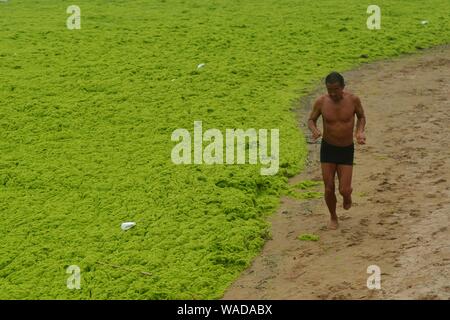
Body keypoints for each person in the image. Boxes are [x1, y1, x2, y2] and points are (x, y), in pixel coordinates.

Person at [307, 71, 366, 230]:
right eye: (329, 90)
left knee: (344, 189)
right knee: (328, 187)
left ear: (343, 87)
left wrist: (359, 132)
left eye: (336, 89)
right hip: (328, 148)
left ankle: (347, 196)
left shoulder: (353, 100)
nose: (333, 93)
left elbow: (361, 117)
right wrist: (314, 130)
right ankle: (333, 216)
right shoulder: (321, 102)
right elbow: (311, 120)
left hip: (346, 149)